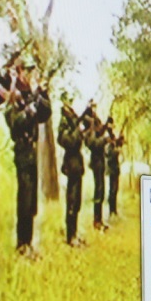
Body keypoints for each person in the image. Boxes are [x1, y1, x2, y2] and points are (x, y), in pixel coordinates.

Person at [3, 59, 51, 258]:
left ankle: (28, 242)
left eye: (32, 71)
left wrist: (42, 95)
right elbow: (14, 122)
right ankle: (21, 244)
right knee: (24, 198)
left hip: (32, 151)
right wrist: (28, 110)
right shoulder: (14, 95)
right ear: (20, 71)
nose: (30, 75)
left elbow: (45, 114)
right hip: (22, 150)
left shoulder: (30, 94)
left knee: (31, 200)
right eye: (27, 71)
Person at [57, 94, 87, 247]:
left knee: (77, 202)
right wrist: (77, 129)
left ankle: (74, 232)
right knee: (72, 200)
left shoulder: (72, 122)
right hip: (71, 165)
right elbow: (70, 142)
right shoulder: (63, 125)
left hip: (77, 164)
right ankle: (70, 236)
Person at [85, 112, 109, 231]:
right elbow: (93, 144)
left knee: (101, 190)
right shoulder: (89, 128)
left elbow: (99, 131)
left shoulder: (94, 125)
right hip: (96, 162)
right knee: (98, 191)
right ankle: (96, 221)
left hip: (100, 162)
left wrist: (106, 125)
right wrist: (104, 140)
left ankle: (99, 219)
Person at [106, 129, 123, 219]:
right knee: (112, 191)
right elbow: (110, 157)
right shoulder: (109, 147)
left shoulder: (113, 145)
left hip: (115, 170)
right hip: (112, 171)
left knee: (115, 190)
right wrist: (116, 152)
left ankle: (114, 209)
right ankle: (111, 210)